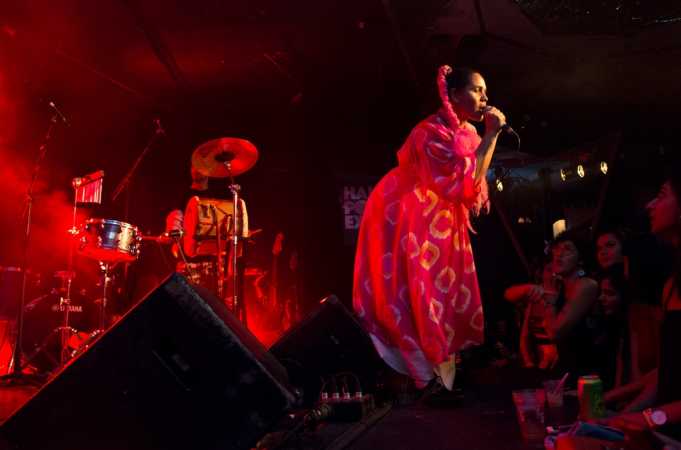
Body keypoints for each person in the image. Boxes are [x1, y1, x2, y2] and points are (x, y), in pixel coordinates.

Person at [353, 66, 506, 391]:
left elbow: (471, 180)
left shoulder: (465, 133)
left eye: (485, 91)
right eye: (478, 90)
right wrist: (491, 135)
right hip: (409, 215)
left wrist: (488, 137)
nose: (485, 98)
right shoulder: (429, 132)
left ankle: (446, 376)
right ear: (453, 95)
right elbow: (458, 184)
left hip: (441, 221)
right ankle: (427, 381)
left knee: (444, 293)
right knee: (419, 293)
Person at [595, 173, 681, 441]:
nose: (649, 204)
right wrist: (619, 408)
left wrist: (644, 418)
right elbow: (667, 373)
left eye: (663, 195)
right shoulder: (671, 289)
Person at [543, 232, 600, 389]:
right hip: (571, 375)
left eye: (567, 249)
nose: (558, 253)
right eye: (556, 249)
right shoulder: (560, 289)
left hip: (592, 377)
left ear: (581, 259)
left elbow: (554, 333)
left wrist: (549, 300)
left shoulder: (586, 284)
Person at [503, 257, 558, 368]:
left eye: (555, 271)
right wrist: (527, 359)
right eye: (548, 270)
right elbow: (525, 336)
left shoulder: (565, 296)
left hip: (559, 360)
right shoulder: (534, 299)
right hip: (539, 362)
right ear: (541, 274)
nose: (552, 274)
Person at [596, 272, 630, 391]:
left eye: (609, 293)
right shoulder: (608, 326)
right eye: (600, 292)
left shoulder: (631, 330)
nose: (601, 298)